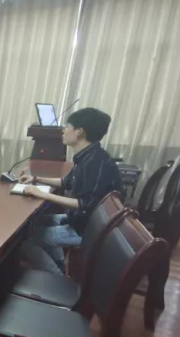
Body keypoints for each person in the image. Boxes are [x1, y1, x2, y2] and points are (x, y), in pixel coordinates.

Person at [19, 108, 122, 275]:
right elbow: (67, 182)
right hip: (82, 220)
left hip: (90, 230)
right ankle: (59, 263)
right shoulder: (88, 155)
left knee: (27, 242)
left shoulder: (95, 163)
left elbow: (85, 204)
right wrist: (36, 179)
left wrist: (43, 194)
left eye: (67, 126)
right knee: (37, 222)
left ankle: (56, 277)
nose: (63, 130)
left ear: (79, 131)